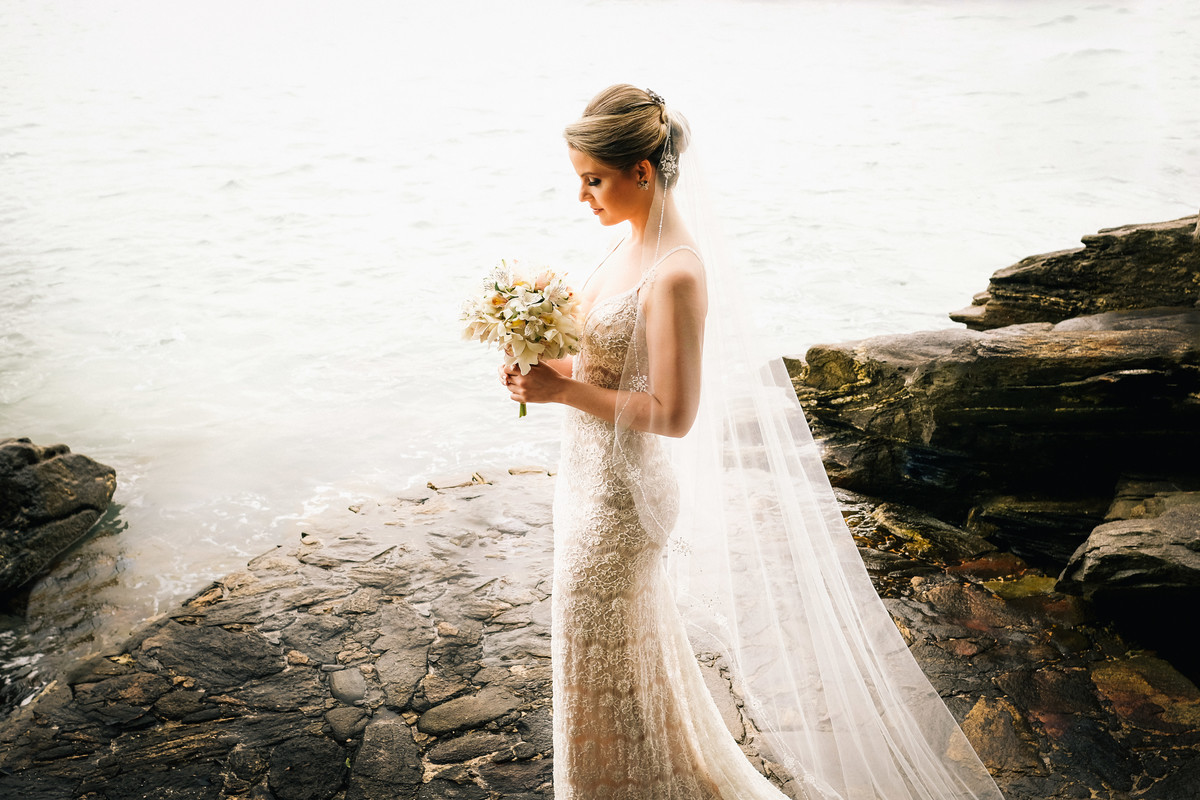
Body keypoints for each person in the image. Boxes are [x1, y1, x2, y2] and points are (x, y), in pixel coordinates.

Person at [502, 85, 1006, 800]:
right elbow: (612, 365)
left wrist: (565, 392)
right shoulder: (621, 247)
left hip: (618, 502)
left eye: (593, 179)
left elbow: (674, 413)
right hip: (584, 483)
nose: (582, 196)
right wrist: (551, 370)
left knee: (605, 660)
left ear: (642, 171)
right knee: (618, 664)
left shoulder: (675, 271)